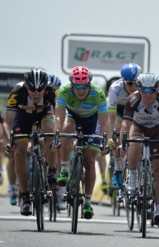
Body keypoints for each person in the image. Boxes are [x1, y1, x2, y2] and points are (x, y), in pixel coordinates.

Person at [120, 73, 159, 226]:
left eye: (152, 91)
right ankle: (132, 175)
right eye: (144, 90)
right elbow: (125, 124)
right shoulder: (133, 99)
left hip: (158, 129)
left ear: (157, 90)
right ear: (139, 89)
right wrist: (123, 142)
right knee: (135, 144)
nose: (148, 94)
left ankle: (158, 210)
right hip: (138, 127)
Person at [54, 65, 109, 219]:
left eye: (84, 86)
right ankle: (65, 169)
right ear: (72, 85)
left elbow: (104, 122)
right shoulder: (64, 91)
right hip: (72, 116)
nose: (80, 90)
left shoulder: (97, 93)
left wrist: (104, 141)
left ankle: (88, 202)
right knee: (67, 127)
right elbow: (58, 117)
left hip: (92, 121)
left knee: (90, 160)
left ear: (89, 84)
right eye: (77, 86)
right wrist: (57, 136)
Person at [5, 68, 58, 216]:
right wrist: (10, 140)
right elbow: (9, 120)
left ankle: (52, 171)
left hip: (44, 114)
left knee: (50, 130)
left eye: (40, 89)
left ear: (45, 87)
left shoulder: (52, 92)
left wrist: (57, 134)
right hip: (23, 116)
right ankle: (25, 196)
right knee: (19, 152)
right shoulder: (18, 91)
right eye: (32, 89)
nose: (36, 93)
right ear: (27, 87)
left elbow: (59, 115)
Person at [107, 63, 141, 188]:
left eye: (136, 83)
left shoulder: (143, 87)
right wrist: (111, 136)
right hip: (119, 110)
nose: (133, 86)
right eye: (129, 83)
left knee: (134, 130)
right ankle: (118, 168)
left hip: (135, 110)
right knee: (118, 129)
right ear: (123, 81)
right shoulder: (115, 88)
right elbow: (110, 118)